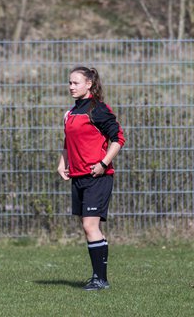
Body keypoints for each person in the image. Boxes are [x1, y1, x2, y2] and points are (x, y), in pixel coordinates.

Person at [57, 66, 125, 291]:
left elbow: (118, 139)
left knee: (90, 225)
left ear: (89, 84)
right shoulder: (70, 113)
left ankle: (100, 279)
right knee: (88, 226)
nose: (71, 87)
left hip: (98, 176)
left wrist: (103, 163)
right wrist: (62, 162)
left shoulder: (98, 110)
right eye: (69, 83)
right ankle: (98, 277)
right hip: (78, 177)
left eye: (76, 83)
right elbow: (68, 142)